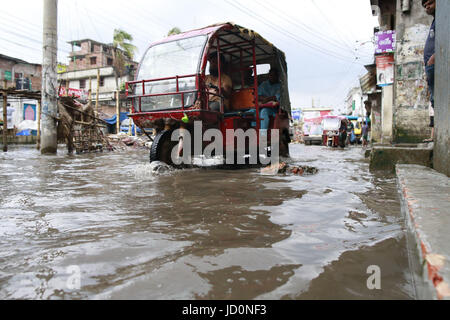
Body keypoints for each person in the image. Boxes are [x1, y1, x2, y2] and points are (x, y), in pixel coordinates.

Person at [423, 0, 436, 142]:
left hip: (435, 65)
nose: (428, 7)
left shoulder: (443, 20)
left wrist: (434, 57)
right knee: (434, 100)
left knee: (437, 99)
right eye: (425, 6)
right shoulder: (435, 22)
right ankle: (435, 135)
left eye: (430, 3)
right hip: (431, 66)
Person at [256, 68, 281, 135]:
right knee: (251, 112)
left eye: (274, 75)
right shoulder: (264, 84)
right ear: (268, 75)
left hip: (274, 109)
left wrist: (266, 99)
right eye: (271, 75)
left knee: (264, 111)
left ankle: (263, 135)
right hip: (262, 106)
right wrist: (266, 99)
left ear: (277, 76)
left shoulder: (279, 86)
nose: (272, 77)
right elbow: (257, 96)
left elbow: (276, 97)